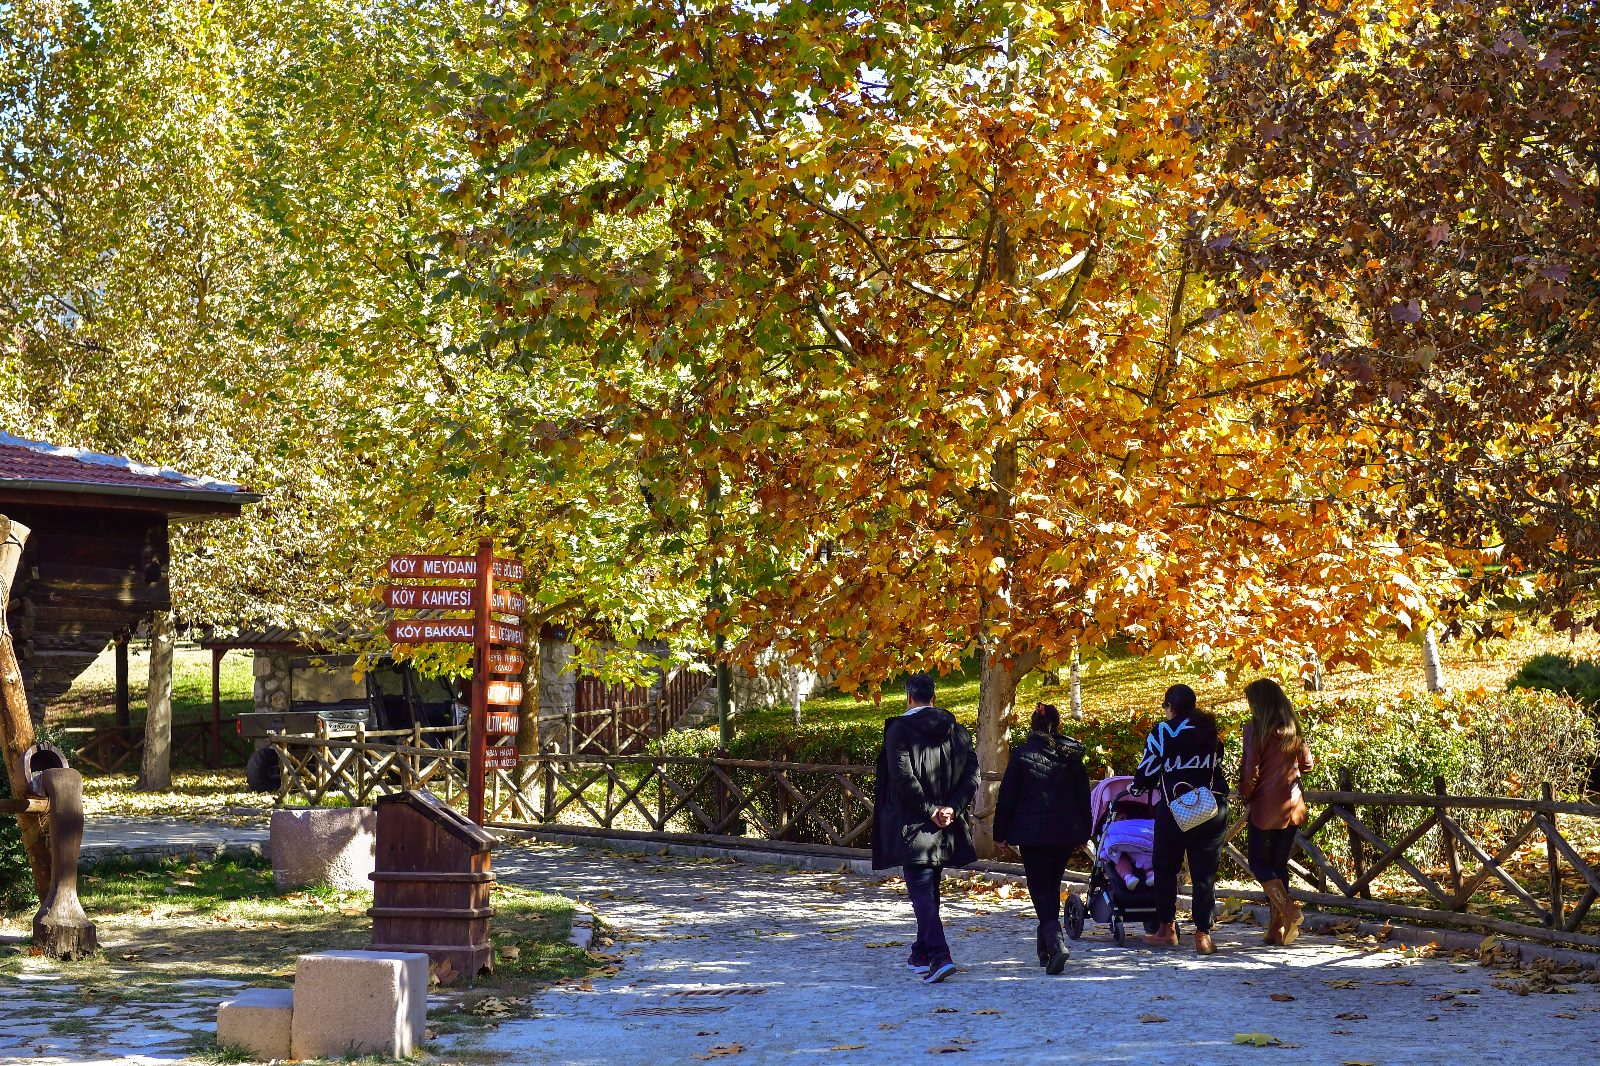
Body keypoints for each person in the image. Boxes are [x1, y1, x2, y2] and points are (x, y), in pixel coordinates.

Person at [871, 671, 979, 985]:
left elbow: (902, 778)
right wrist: (951, 809)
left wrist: (931, 810)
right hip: (944, 825)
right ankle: (921, 953)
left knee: (921, 892)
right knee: (930, 890)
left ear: (909, 697)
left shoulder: (899, 731)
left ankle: (939, 955)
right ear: (934, 698)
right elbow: (972, 775)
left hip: (914, 825)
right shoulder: (958, 732)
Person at [993, 702, 1092, 975]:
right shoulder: (1071, 756)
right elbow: (1084, 798)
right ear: (1057, 725)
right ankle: (1045, 950)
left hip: (1033, 834)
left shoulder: (1022, 755)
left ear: (1032, 726)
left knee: (1040, 891)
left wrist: (999, 834)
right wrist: (1085, 831)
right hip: (1063, 833)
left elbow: (1007, 798)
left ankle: (1057, 944)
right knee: (1050, 887)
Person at [1131, 684, 1229, 955]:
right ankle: (1203, 935)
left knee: (1164, 868)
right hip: (1210, 809)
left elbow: (1147, 770)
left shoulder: (1163, 732)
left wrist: (1136, 788)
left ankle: (1167, 929)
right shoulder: (1211, 732)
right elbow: (1217, 764)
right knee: (1204, 874)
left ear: (1170, 707)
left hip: (1175, 810)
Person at [1238, 677, 1315, 947]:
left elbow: (1250, 769)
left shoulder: (1255, 728)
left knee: (1258, 863)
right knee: (1277, 865)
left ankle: (1289, 911)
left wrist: (1245, 794)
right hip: (1293, 806)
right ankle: (1277, 930)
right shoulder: (1293, 728)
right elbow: (1307, 765)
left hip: (1265, 807)